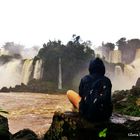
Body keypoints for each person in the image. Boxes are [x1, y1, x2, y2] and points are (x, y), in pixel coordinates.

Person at [67, 57, 112, 122]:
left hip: (87, 114)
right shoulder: (107, 81)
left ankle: (75, 110)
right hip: (104, 115)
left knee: (69, 92)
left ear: (90, 68)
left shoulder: (84, 79)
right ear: (103, 68)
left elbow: (81, 94)